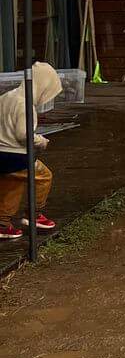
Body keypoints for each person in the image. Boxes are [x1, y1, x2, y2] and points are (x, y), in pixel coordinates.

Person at [0, 63, 62, 242]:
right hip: (16, 155)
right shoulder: (25, 104)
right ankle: (34, 214)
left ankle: (2, 223)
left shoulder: (7, 97)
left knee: (14, 182)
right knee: (44, 176)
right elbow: (23, 134)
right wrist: (40, 141)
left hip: (1, 153)